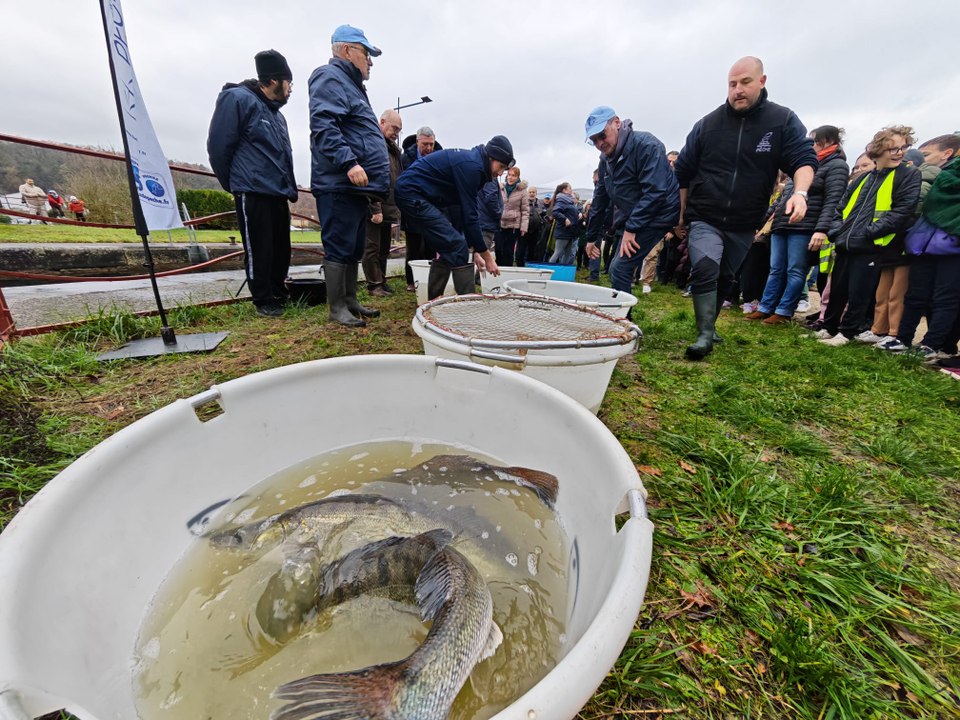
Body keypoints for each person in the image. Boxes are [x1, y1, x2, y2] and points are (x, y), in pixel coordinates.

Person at [674, 57, 817, 359]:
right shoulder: (708, 125)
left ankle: (710, 326)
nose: (737, 89)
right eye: (732, 83)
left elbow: (804, 159)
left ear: (762, 81)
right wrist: (681, 215)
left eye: (745, 82)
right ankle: (703, 335)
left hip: (744, 219)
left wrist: (800, 193)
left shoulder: (781, 120)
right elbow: (683, 172)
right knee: (705, 266)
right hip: (706, 214)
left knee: (726, 276)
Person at [308, 25, 390, 327]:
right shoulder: (329, 77)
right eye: (366, 53)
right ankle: (336, 307)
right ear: (346, 51)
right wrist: (349, 163)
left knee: (354, 246)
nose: (370, 61)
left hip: (355, 188)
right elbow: (325, 125)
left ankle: (350, 300)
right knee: (339, 244)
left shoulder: (352, 85)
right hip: (339, 182)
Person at [207, 49, 297, 318]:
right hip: (253, 188)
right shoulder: (237, 99)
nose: (291, 89)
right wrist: (235, 183)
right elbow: (218, 145)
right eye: (288, 82)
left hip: (277, 190)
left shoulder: (277, 116)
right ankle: (263, 297)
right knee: (259, 246)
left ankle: (278, 290)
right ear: (272, 81)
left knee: (281, 247)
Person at [816, 126, 921, 346]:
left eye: (903, 147)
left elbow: (901, 211)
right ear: (878, 149)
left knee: (859, 292)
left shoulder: (908, 174)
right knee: (838, 288)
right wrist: (836, 231)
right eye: (893, 148)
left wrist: (868, 234)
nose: (899, 153)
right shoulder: (863, 179)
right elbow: (840, 208)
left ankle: (847, 332)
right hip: (845, 243)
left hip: (871, 246)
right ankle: (829, 327)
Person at [747, 125, 849, 325]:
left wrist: (821, 229)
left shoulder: (837, 166)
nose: (811, 145)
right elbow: (782, 199)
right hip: (782, 224)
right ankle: (766, 307)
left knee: (795, 270)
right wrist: (763, 221)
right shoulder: (804, 165)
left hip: (805, 226)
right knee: (776, 268)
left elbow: (833, 200)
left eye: (814, 140)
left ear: (827, 141)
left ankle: (784, 310)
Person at [395, 136, 513, 299]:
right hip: (412, 194)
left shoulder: (475, 166)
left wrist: (475, 249)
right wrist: (487, 257)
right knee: (457, 246)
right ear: (491, 157)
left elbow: (461, 211)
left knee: (451, 246)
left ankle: (433, 303)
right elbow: (471, 216)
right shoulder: (472, 167)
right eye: (500, 167)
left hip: (420, 195)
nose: (499, 173)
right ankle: (468, 306)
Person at [583, 106, 680, 298]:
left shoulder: (646, 145)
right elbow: (600, 201)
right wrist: (591, 237)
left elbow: (655, 191)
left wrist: (632, 228)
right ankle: (623, 318)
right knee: (615, 270)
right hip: (635, 216)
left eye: (602, 135)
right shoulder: (605, 161)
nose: (600, 143)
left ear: (617, 123)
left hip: (658, 214)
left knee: (620, 269)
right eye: (594, 140)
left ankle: (624, 323)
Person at [884, 136, 960, 358]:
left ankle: (932, 344)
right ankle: (903, 338)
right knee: (916, 294)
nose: (923, 159)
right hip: (925, 243)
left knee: (945, 296)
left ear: (947, 153)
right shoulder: (942, 175)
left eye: (927, 154)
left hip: (954, 247)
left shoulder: (937, 177)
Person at [362, 109, 404, 297]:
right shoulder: (374, 144)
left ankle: (382, 280)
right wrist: (374, 206)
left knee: (384, 247)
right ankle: (374, 284)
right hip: (376, 205)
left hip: (388, 205)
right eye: (394, 128)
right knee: (372, 246)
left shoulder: (393, 150)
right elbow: (372, 177)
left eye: (399, 130)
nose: (396, 132)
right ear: (382, 122)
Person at [401, 127, 441, 291]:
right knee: (414, 248)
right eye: (425, 144)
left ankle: (428, 279)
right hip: (412, 209)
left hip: (432, 209)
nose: (429, 148)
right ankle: (412, 281)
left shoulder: (439, 158)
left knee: (431, 247)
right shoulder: (405, 159)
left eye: (431, 144)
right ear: (418, 142)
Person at [638, 150, 681, 293]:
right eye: (669, 160)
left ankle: (647, 282)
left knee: (652, 254)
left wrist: (671, 229)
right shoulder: (656, 175)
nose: (671, 163)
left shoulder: (681, 182)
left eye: (674, 161)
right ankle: (631, 278)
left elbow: (678, 207)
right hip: (646, 220)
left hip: (664, 224)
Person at [496, 166, 529, 267]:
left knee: (508, 251)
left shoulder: (522, 191)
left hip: (514, 225)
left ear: (518, 177)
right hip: (500, 224)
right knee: (498, 249)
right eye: (509, 175)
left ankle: (507, 272)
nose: (510, 177)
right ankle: (499, 270)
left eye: (513, 175)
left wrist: (523, 227)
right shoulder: (500, 188)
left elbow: (525, 210)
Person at [547, 182, 580, 266]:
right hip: (563, 232)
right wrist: (564, 219)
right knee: (558, 252)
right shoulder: (561, 200)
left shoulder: (569, 201)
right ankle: (548, 270)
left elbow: (569, 212)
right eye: (570, 188)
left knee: (568, 254)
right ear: (564, 190)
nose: (571, 190)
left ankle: (562, 272)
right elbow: (555, 212)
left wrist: (578, 214)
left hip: (570, 232)